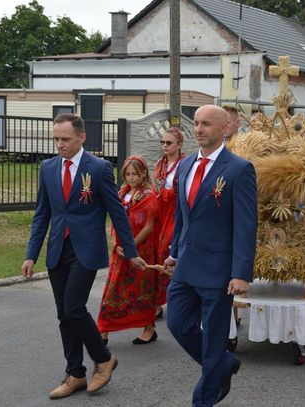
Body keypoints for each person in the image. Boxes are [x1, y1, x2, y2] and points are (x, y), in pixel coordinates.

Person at [21, 113, 147, 399]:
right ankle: (75, 373)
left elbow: (117, 212)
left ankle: (103, 359)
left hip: (86, 250)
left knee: (74, 307)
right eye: (56, 139)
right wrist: (31, 254)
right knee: (64, 314)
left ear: (81, 137)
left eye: (65, 139)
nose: (60, 145)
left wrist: (130, 251)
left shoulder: (100, 168)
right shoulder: (48, 167)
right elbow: (42, 214)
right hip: (57, 249)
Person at [163, 104, 258, 407]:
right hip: (186, 266)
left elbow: (246, 225)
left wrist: (241, 273)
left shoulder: (238, 169)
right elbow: (182, 215)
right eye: (197, 123)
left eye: (206, 124)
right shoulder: (186, 164)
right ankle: (224, 364)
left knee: (215, 337)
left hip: (219, 269)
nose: (199, 129)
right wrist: (174, 251)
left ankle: (203, 399)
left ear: (224, 128)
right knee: (177, 324)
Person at [97, 156, 158, 345]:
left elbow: (149, 226)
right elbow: (115, 220)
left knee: (142, 290)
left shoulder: (149, 195)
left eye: (135, 174)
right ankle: (104, 328)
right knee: (113, 288)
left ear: (143, 174)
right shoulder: (121, 194)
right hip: (120, 250)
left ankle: (148, 326)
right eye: (128, 174)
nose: (131, 178)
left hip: (141, 250)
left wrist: (131, 245)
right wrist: (117, 243)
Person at [152, 127, 186, 318]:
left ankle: (175, 300)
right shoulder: (160, 163)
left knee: (169, 252)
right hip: (159, 213)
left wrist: (165, 194)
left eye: (169, 143)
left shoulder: (186, 163)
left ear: (179, 144)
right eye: (162, 142)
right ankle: (157, 303)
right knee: (157, 255)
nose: (164, 146)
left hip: (175, 213)